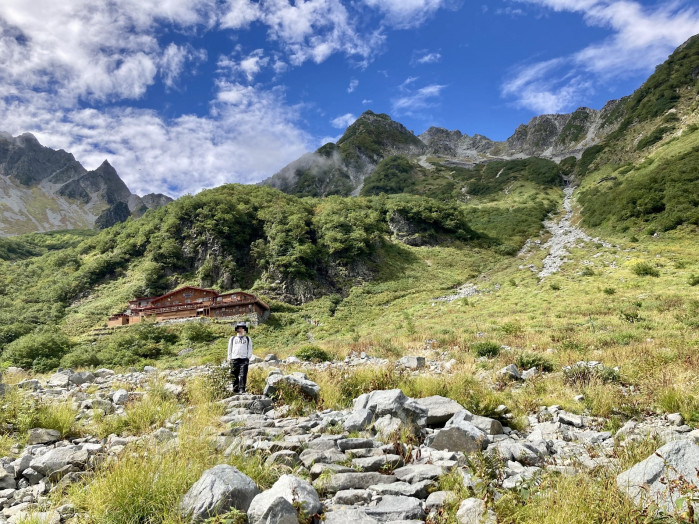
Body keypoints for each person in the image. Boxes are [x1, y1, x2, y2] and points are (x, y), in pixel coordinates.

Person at [227, 322, 253, 394]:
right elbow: (229, 349)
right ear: (237, 329)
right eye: (239, 328)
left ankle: (242, 389)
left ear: (245, 330)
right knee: (234, 374)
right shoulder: (232, 339)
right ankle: (235, 388)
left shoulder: (248, 339)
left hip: (244, 359)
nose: (240, 329)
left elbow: (250, 348)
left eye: (242, 328)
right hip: (234, 358)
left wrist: (248, 357)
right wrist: (229, 358)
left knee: (243, 374)